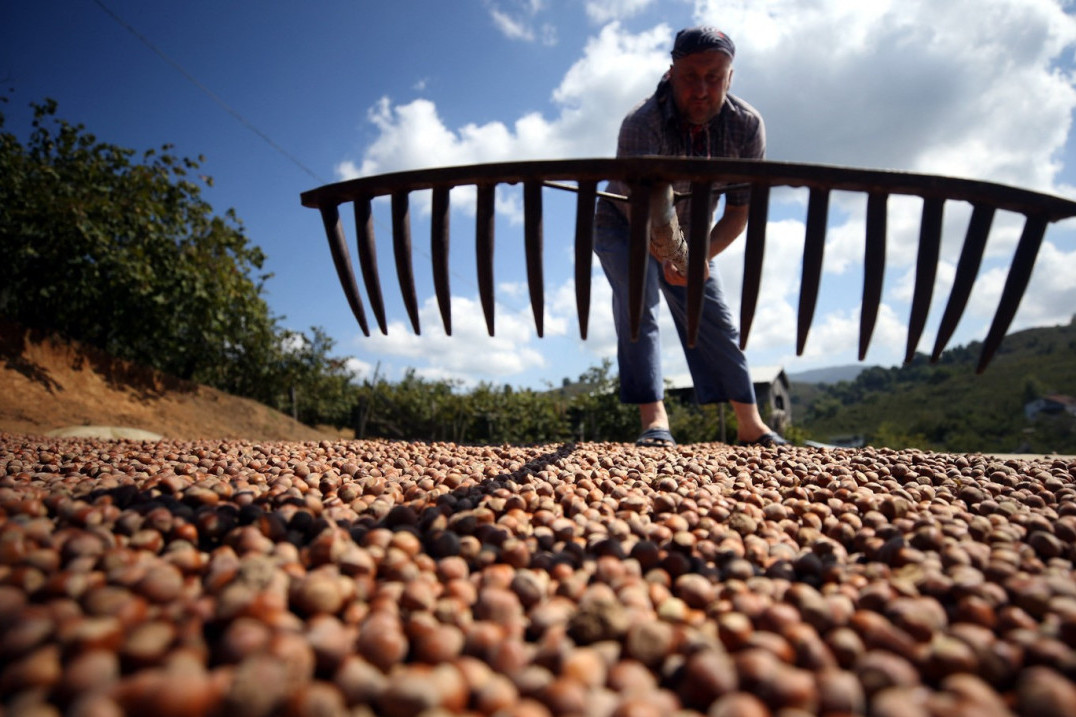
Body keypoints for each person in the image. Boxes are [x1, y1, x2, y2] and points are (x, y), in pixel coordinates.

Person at [593, 26, 788, 448]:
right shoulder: (641, 124)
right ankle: (654, 421)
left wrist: (696, 257)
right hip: (624, 222)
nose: (701, 89)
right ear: (671, 73)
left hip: (693, 234)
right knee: (638, 301)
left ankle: (750, 423)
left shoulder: (746, 128)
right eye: (689, 76)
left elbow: (739, 211)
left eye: (714, 77)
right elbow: (648, 213)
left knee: (711, 312)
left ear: (730, 77)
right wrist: (677, 257)